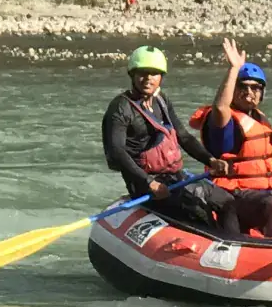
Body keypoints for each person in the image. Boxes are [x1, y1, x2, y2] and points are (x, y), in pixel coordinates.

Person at [101, 45, 236, 231]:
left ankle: (235, 248)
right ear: (132, 74)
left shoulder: (161, 100)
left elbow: (183, 136)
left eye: (154, 74)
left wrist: (210, 160)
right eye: (142, 73)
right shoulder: (120, 108)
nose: (148, 78)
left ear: (161, 77)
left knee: (227, 202)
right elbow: (117, 151)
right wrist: (149, 182)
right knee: (200, 214)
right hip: (146, 185)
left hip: (175, 178)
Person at [197, 39, 272, 237]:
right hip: (235, 194)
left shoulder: (260, 120)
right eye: (242, 87)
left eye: (255, 88)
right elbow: (220, 108)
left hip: (263, 191)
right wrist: (234, 69)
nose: (249, 92)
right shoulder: (226, 122)